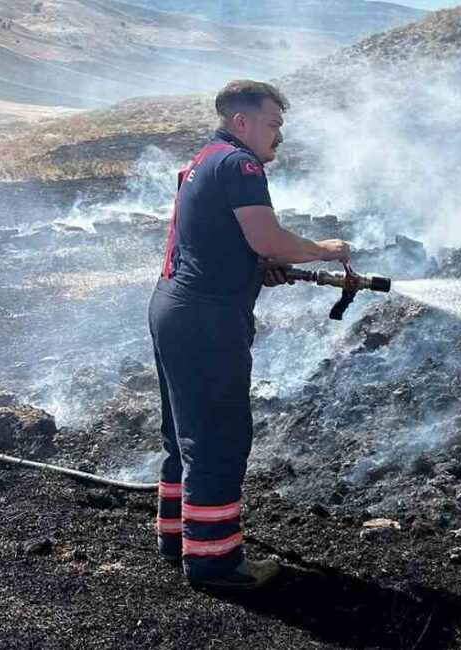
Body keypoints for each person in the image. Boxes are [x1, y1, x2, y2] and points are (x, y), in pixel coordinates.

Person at [148, 80, 349, 589]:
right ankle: (214, 563)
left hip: (175, 307)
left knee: (185, 433)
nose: (278, 137)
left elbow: (222, 242)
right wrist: (324, 249)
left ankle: (179, 539)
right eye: (273, 125)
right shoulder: (240, 165)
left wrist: (256, 266)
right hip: (206, 319)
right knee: (219, 437)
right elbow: (267, 238)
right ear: (243, 122)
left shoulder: (203, 161)